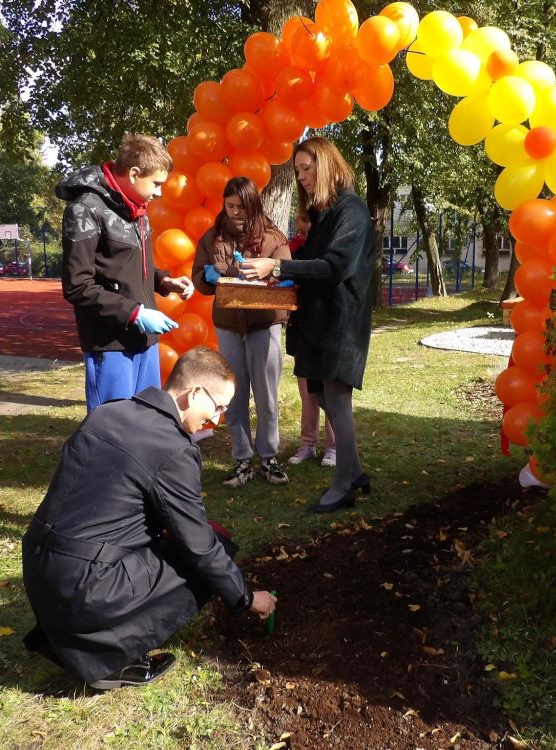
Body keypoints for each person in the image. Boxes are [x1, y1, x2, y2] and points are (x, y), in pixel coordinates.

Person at [21, 346, 277, 689]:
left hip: (40, 569)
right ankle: (111, 659)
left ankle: (72, 636)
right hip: (85, 590)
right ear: (194, 393)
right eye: (217, 407)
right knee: (213, 545)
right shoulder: (174, 448)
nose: (216, 419)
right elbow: (198, 545)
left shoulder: (108, 413)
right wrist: (245, 597)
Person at [241, 136, 374, 513]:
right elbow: (311, 263)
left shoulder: (352, 210)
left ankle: (344, 485)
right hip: (317, 319)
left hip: (340, 322)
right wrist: (278, 278)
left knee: (337, 400)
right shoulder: (323, 213)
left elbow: (335, 267)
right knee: (319, 395)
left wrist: (278, 266)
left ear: (327, 164)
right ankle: (357, 472)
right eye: (297, 170)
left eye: (306, 168)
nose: (300, 177)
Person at [57, 133, 195, 412]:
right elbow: (77, 286)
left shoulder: (137, 208)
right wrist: (134, 314)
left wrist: (164, 281)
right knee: (111, 426)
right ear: (134, 174)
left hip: (144, 341)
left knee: (144, 421)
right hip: (110, 344)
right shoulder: (85, 209)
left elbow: (128, 265)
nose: (158, 193)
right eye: (156, 184)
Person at [192, 177, 292, 488]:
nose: (236, 212)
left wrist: (274, 272)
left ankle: (269, 457)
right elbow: (199, 276)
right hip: (229, 323)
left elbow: (288, 273)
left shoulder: (273, 236)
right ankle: (241, 460)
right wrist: (208, 278)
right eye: (230, 205)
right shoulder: (212, 237)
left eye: (242, 206)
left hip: (265, 321)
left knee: (266, 393)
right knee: (232, 394)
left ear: (254, 205)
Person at [285, 209, 337, 468]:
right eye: (299, 231)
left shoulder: (330, 253)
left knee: (330, 391)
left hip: (327, 328)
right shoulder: (294, 250)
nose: (301, 236)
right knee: (308, 394)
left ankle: (334, 446)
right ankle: (308, 443)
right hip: (302, 328)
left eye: (306, 232)